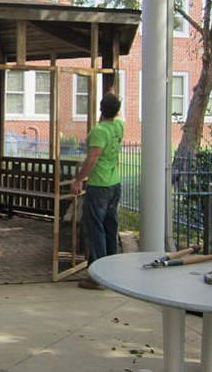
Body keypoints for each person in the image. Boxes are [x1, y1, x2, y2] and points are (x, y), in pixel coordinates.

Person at [70, 92, 124, 290]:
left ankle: (97, 276)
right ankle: (111, 271)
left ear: (100, 109)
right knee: (110, 227)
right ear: (117, 110)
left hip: (100, 185)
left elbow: (92, 159)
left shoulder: (98, 131)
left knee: (95, 229)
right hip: (114, 184)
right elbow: (117, 115)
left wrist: (78, 180)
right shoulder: (119, 126)